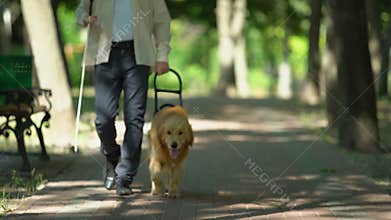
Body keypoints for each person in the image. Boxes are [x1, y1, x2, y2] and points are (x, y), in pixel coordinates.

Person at [76, 0, 171, 196]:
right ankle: (112, 157)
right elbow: (81, 9)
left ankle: (125, 175)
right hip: (105, 54)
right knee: (103, 120)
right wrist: (84, 18)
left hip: (138, 56)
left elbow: (162, 21)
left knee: (134, 118)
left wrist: (162, 55)